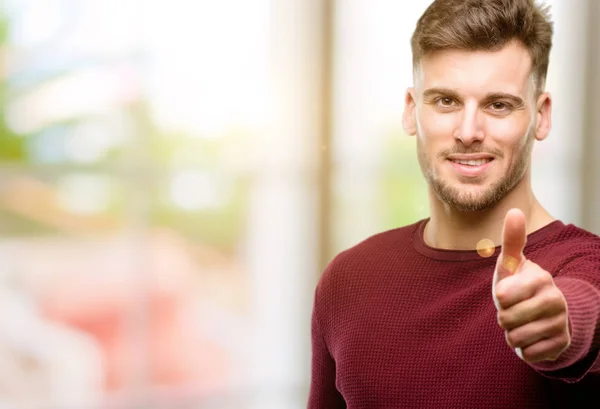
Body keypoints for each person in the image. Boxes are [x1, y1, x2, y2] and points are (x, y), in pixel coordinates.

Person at [307, 0, 600, 408]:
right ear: (412, 111)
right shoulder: (348, 279)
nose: (468, 131)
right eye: (445, 101)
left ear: (541, 116)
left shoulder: (588, 266)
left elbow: (586, 311)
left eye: (498, 105)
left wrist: (565, 328)